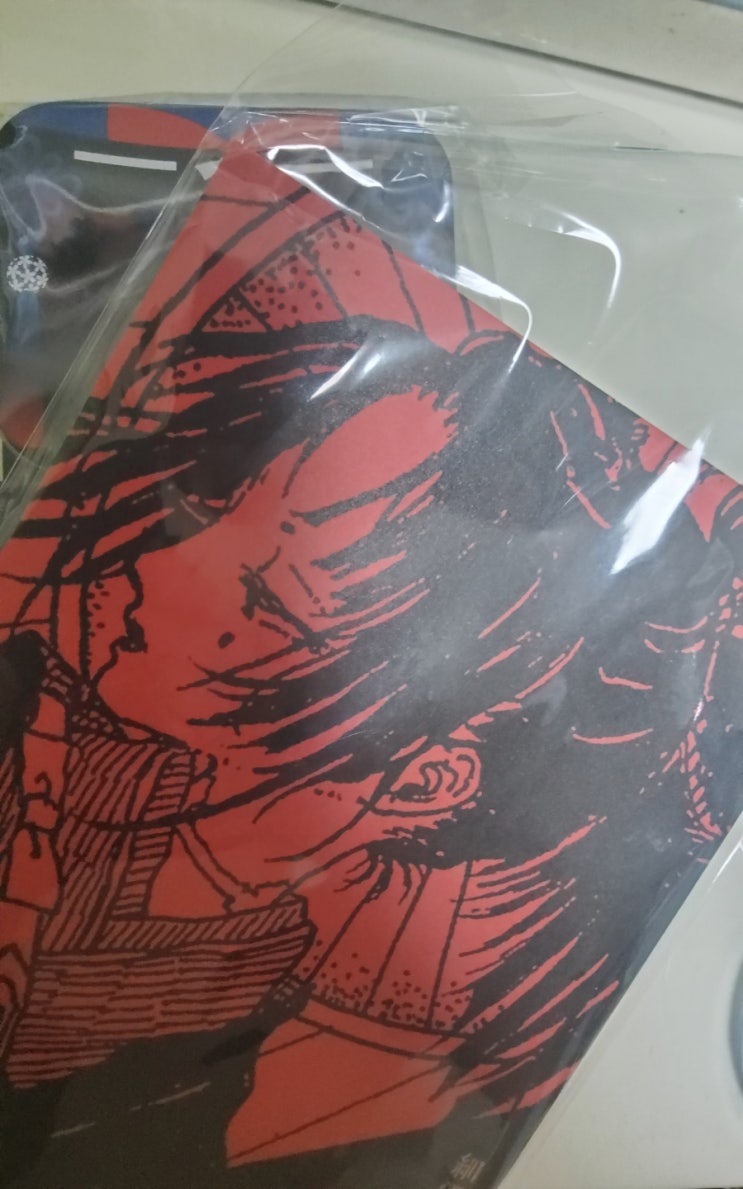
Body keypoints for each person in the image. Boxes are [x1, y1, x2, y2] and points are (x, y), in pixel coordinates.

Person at [1, 297, 741, 1183]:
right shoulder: (56, 719)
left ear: (428, 779)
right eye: (221, 507)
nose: (153, 568)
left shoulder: (201, 1083)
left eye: (264, 601)